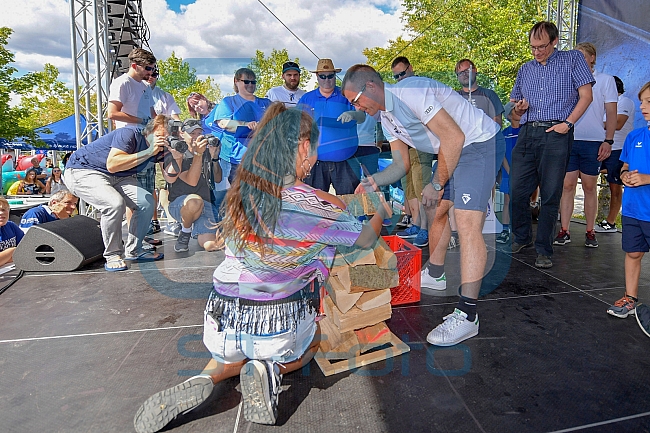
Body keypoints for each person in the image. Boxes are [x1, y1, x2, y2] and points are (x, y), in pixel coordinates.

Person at [133, 103, 390, 433]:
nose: (315, 159)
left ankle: (206, 376)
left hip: (222, 316)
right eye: (314, 148)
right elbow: (366, 238)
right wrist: (381, 209)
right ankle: (272, 370)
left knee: (231, 358)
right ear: (300, 147)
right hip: (277, 319)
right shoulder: (315, 203)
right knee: (316, 340)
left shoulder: (244, 191)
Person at [342, 64, 501, 346]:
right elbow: (401, 164)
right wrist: (375, 181)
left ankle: (468, 314)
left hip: (479, 142)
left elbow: (455, 137)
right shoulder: (386, 118)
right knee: (437, 210)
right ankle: (436, 274)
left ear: (370, 87)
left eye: (355, 101)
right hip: (453, 149)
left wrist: (436, 183)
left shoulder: (411, 92)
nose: (357, 107)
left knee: (465, 220)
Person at [508, 21, 594, 269]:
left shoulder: (573, 60)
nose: (536, 52)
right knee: (517, 191)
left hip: (557, 132)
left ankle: (544, 249)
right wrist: (518, 109)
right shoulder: (525, 69)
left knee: (550, 194)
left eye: (542, 46)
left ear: (555, 41)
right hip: (527, 132)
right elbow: (513, 108)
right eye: (532, 47)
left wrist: (567, 123)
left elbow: (586, 96)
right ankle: (522, 237)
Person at [63, 116, 167, 271]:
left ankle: (134, 250)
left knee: (146, 203)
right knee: (114, 204)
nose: (162, 139)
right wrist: (149, 151)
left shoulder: (162, 148)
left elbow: (171, 176)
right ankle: (112, 254)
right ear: (148, 131)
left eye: (167, 137)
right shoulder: (129, 133)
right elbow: (112, 165)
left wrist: (177, 155)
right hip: (83, 170)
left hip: (119, 176)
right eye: (159, 135)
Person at [556, 42, 617, 249]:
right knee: (567, 186)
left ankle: (590, 231)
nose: (577, 59)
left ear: (592, 57)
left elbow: (611, 113)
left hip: (594, 141)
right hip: (569, 139)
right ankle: (564, 230)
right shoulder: (567, 79)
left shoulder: (606, 80)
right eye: (574, 55)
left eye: (582, 55)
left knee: (590, 187)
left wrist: (608, 140)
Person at [605, 82, 650, 326]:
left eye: (649, 102)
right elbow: (624, 166)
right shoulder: (634, 137)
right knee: (633, 253)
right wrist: (624, 175)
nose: (643, 107)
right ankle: (629, 299)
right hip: (633, 210)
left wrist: (646, 179)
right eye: (642, 101)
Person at [297, 59, 361, 195]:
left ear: (335, 75)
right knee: (314, 206)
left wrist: (353, 113)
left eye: (330, 76)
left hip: (346, 161)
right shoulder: (306, 99)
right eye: (323, 76)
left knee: (352, 207)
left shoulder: (347, 96)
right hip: (315, 162)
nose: (327, 79)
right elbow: (297, 127)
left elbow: (363, 117)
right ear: (317, 77)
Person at [163, 119, 226, 253]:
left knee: (211, 245)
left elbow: (218, 178)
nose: (196, 137)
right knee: (194, 201)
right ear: (182, 134)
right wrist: (198, 154)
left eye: (199, 133)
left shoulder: (205, 151)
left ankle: (201, 231)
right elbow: (192, 181)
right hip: (182, 204)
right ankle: (185, 232)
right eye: (192, 133)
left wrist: (214, 158)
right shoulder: (177, 152)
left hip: (206, 202)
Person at [391, 56, 434, 248]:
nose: (400, 78)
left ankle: (426, 228)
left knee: (422, 186)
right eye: (396, 76)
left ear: (411, 68)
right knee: (408, 187)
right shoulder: (397, 93)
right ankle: (416, 223)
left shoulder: (420, 88)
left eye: (402, 73)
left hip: (421, 145)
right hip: (404, 145)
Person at [215, 68, 272, 183]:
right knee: (237, 197)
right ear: (236, 81)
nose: (250, 84)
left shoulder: (266, 103)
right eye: (246, 81)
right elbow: (223, 123)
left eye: (253, 82)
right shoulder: (229, 101)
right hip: (236, 160)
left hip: (263, 160)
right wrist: (247, 125)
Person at [596, 76, 636, 233]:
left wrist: (594, 123)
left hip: (618, 149)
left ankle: (611, 223)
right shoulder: (602, 104)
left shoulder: (624, 101)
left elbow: (618, 124)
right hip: (601, 147)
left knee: (615, 186)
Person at [107, 47, 157, 130]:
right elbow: (112, 113)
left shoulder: (146, 86)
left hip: (144, 136)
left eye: (153, 69)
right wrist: (142, 121)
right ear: (134, 66)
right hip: (127, 133)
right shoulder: (122, 83)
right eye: (148, 68)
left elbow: (152, 114)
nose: (151, 72)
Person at [496, 102, 520, 244]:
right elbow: (503, 154)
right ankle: (505, 230)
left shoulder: (526, 131)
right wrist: (509, 171)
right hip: (508, 173)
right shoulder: (504, 133)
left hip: (524, 173)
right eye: (516, 111)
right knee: (507, 200)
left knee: (522, 202)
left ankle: (520, 231)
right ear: (510, 115)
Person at [0, 197, 23, 266]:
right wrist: (11, 251)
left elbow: (26, 248)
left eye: (3, 210)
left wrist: (5, 258)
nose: (1, 213)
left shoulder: (11, 226)